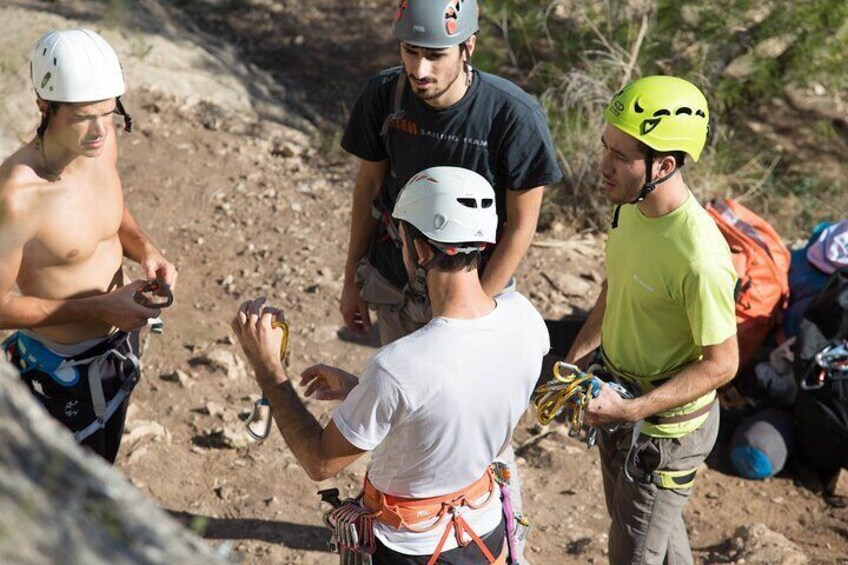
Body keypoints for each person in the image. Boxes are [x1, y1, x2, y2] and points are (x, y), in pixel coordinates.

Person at [233, 167, 549, 564]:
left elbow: (320, 461)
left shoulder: (400, 366)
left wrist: (268, 371)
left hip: (412, 549)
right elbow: (465, 391)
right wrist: (362, 391)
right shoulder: (526, 320)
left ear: (418, 249)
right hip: (486, 532)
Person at [563, 76, 739, 564]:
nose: (602, 167)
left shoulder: (699, 257)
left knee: (632, 551)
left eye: (619, 158)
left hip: (664, 433)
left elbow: (722, 364)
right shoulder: (632, 209)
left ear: (663, 165)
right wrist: (574, 360)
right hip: (619, 401)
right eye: (605, 148)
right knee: (653, 536)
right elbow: (615, 286)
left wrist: (633, 412)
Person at [340, 0, 562, 346]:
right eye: (409, 52)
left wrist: (471, 316)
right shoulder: (385, 95)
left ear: (467, 47)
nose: (420, 69)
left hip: (476, 284)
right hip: (396, 282)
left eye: (435, 55)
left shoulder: (513, 117)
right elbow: (369, 184)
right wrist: (351, 280)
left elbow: (521, 225)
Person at [0, 28, 176, 463]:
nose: (100, 130)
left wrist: (145, 249)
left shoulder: (101, 144)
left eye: (109, 112)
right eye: (83, 116)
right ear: (44, 104)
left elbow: (112, 213)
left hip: (118, 349)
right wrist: (98, 309)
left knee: (106, 460)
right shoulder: (18, 195)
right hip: (58, 374)